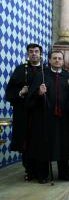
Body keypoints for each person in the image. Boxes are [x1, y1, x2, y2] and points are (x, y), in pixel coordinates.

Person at [27, 50, 69, 184]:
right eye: (55, 58)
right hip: (45, 117)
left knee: (63, 145)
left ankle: (64, 173)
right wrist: (39, 93)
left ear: (63, 61)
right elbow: (30, 100)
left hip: (63, 118)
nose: (57, 60)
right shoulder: (42, 75)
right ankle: (43, 174)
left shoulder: (68, 77)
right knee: (44, 145)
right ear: (49, 60)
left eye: (60, 58)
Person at [5, 43, 44, 181]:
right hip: (24, 113)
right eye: (31, 51)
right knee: (26, 142)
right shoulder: (20, 70)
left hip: (41, 114)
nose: (34, 53)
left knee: (40, 141)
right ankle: (29, 170)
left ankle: (41, 171)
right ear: (28, 53)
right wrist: (21, 92)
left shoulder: (46, 70)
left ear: (41, 54)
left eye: (36, 51)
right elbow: (9, 92)